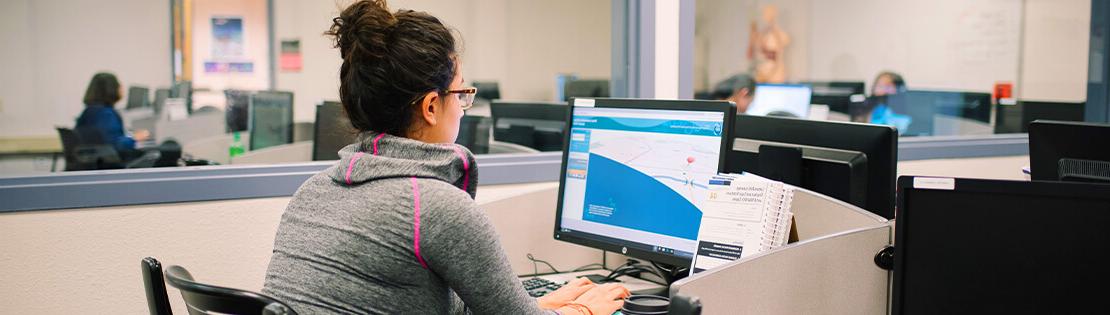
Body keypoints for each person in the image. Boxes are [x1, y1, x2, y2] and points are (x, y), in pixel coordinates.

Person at [261, 1, 630, 314]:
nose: (465, 108)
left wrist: (538, 306)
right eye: (462, 93)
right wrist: (585, 309)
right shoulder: (434, 206)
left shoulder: (312, 191)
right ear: (432, 106)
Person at [75, 72, 150, 155]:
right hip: (111, 162)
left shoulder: (88, 111)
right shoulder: (106, 114)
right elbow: (116, 145)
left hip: (97, 161)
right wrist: (135, 138)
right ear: (111, 89)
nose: (121, 88)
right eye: (118, 85)